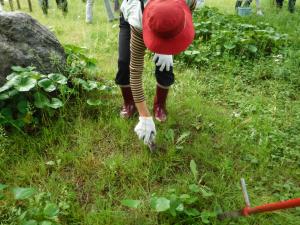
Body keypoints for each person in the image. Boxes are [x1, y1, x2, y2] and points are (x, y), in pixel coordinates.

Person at [115, 0, 196, 145]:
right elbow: (135, 71)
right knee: (124, 63)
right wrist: (144, 117)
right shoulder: (137, 19)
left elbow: (188, 13)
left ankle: (160, 106)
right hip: (133, 18)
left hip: (166, 19)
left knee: (165, 69)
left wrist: (168, 43)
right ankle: (130, 104)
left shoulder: (188, 1)